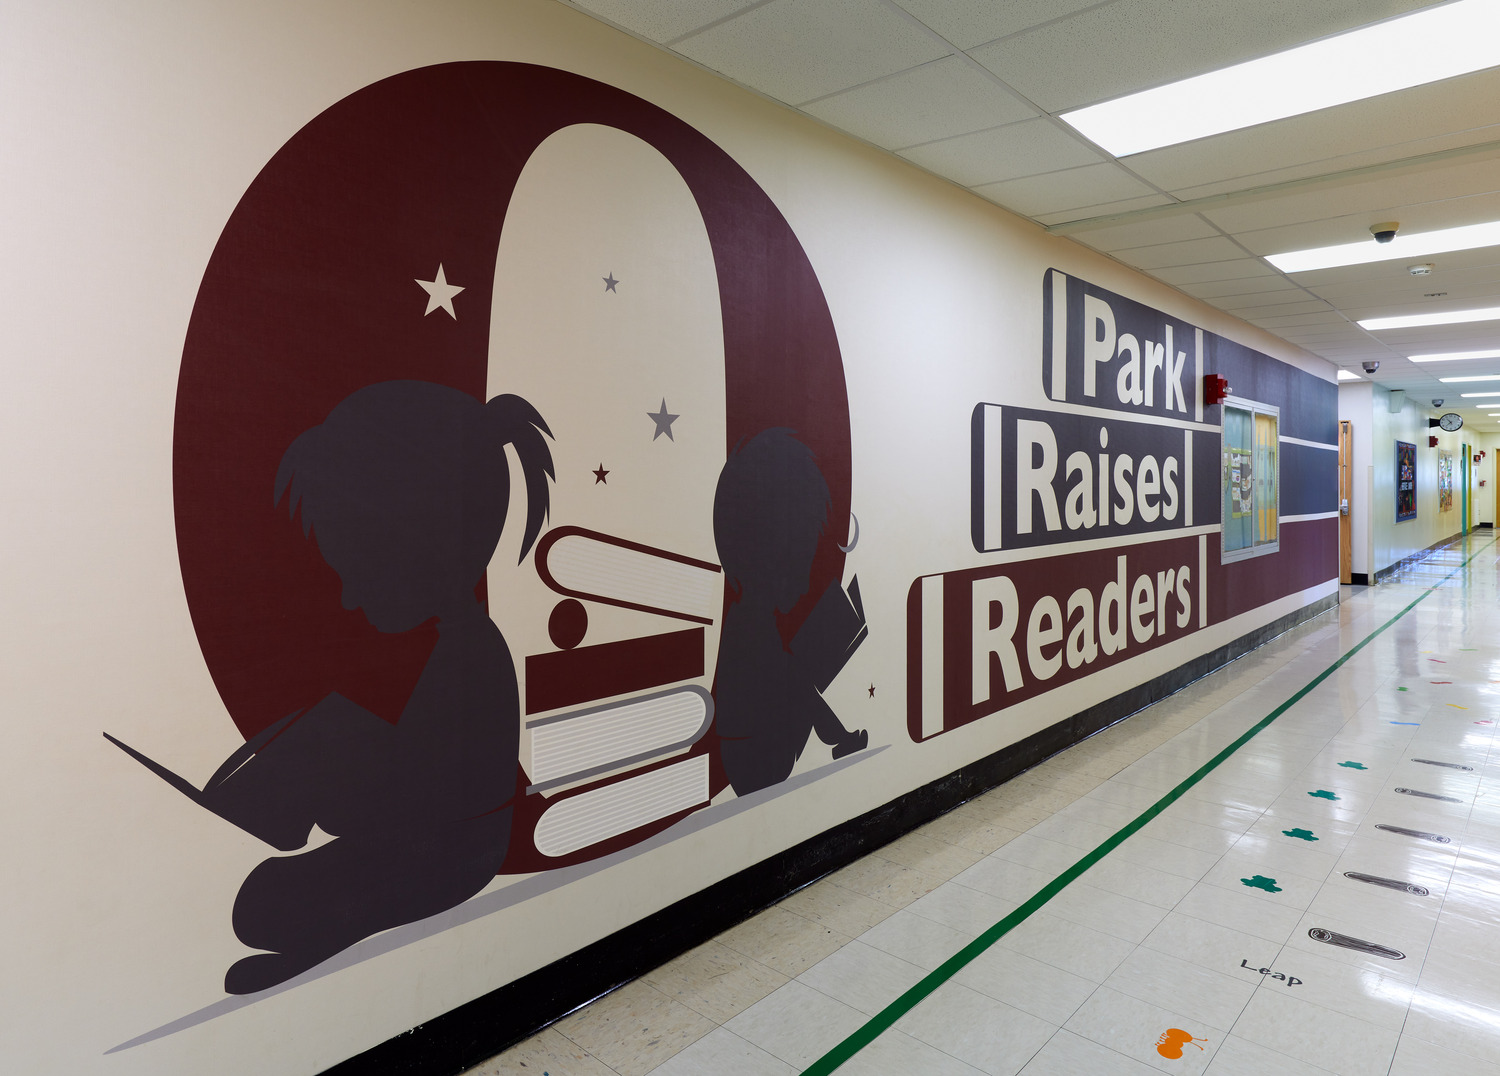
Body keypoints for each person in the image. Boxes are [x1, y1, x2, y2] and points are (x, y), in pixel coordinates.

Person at [106, 379, 553, 993]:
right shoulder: (461, 642)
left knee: (266, 898)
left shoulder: (473, 654)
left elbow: (442, 796)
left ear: (424, 545)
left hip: (450, 854)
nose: (347, 594)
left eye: (360, 569)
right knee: (331, 735)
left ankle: (261, 848)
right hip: (431, 832)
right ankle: (245, 824)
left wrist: (345, 784)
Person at [711, 428, 867, 796]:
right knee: (795, 674)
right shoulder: (749, 627)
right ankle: (839, 738)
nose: (803, 580)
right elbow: (777, 690)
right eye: (799, 562)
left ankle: (838, 737)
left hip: (756, 749)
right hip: (754, 758)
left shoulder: (750, 619)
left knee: (794, 672)